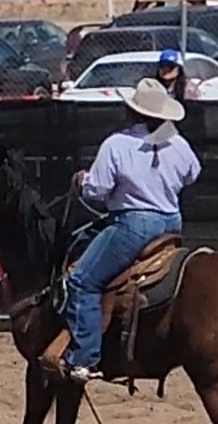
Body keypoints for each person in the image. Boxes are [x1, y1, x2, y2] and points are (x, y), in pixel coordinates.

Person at [61, 77, 201, 384]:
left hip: (134, 225)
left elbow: (97, 190)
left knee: (82, 280)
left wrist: (81, 181)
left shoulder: (116, 144)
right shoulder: (177, 142)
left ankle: (83, 358)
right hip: (171, 224)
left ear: (133, 112)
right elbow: (193, 173)